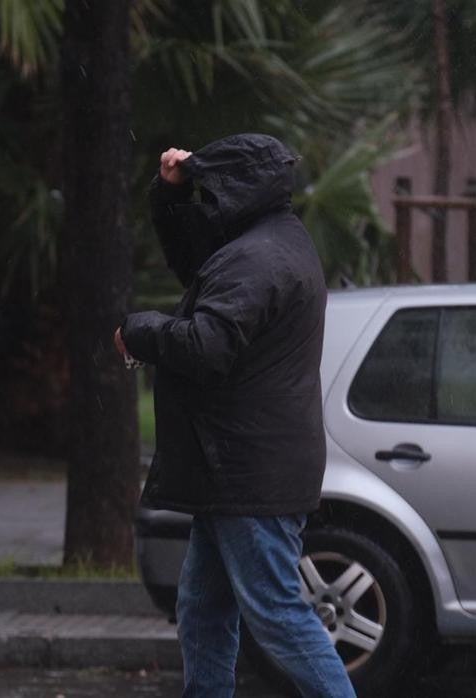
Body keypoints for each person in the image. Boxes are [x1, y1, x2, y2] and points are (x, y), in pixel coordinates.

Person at [115, 134, 354, 698]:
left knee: (275, 613)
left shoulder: (256, 259)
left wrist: (140, 331)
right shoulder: (270, 242)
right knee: (202, 607)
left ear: (239, 191)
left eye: (213, 187)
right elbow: (200, 264)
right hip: (240, 469)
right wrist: (170, 197)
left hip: (249, 472)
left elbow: (207, 346)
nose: (208, 196)